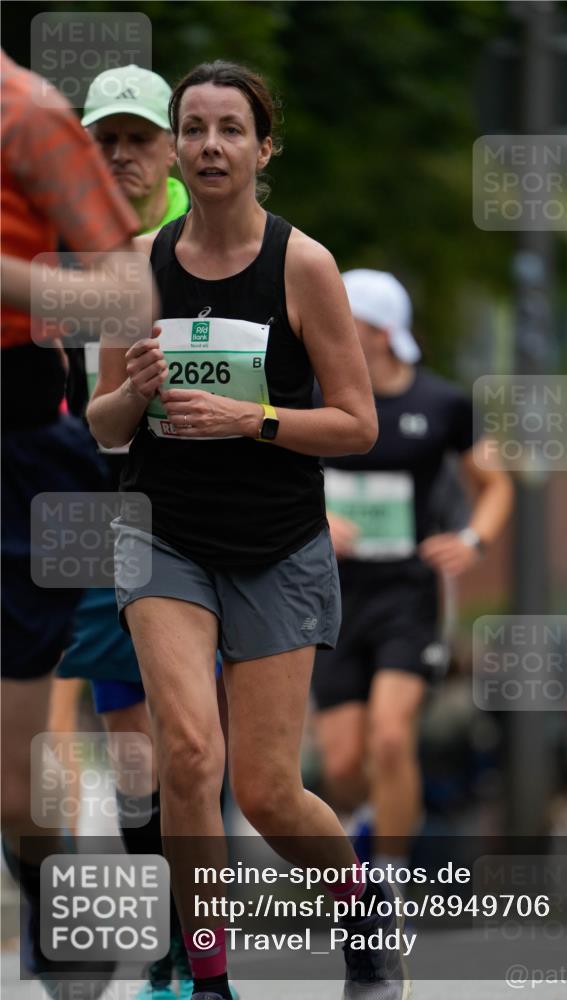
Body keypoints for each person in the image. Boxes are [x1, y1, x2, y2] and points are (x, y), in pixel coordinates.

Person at [87, 60, 415, 1000]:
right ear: (178, 149)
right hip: (165, 537)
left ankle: (361, 913)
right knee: (190, 754)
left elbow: (357, 425)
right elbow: (102, 426)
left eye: (231, 129)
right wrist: (134, 391)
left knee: (269, 793)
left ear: (263, 148)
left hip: (277, 545)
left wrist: (253, 420)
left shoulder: (301, 265)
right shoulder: (137, 267)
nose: (210, 146)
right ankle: (207, 977)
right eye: (194, 129)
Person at [49, 63, 204, 1000]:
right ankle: (168, 937)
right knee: (137, 748)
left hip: (202, 508)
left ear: (171, 147)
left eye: (138, 139)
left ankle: (193, 945)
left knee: (196, 742)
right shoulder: (56, 243)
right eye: (103, 140)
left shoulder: (212, 238)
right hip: (91, 503)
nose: (121, 156)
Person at [0, 49, 153, 998]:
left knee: (15, 792)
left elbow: (125, 295)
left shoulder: (29, 116)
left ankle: (65, 922)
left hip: (17, 444)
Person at [312, 269, 513, 876]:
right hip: (332, 592)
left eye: (344, 319)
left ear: (378, 331)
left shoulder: (443, 403)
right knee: (342, 760)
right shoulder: (313, 397)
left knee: (393, 737)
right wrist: (317, 518)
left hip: (409, 591)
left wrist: (473, 540)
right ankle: (371, 820)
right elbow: (274, 477)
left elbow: (496, 483)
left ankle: (388, 876)